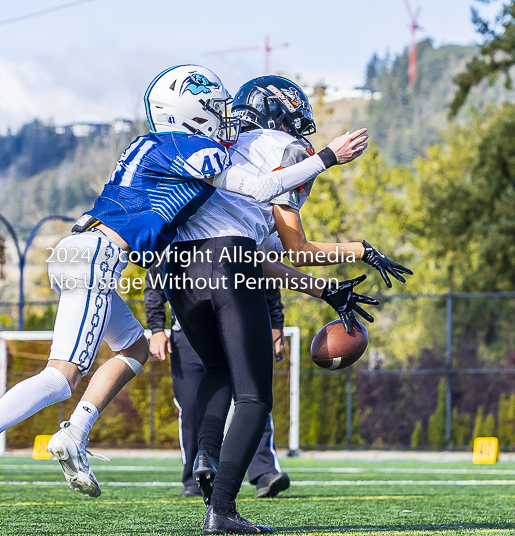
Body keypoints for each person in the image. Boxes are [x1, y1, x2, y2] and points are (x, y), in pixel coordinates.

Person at [0, 65, 361, 507]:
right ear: (192, 114)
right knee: (60, 378)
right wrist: (326, 156)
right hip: (97, 258)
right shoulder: (191, 148)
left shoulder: (151, 144)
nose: (225, 115)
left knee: (132, 349)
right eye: (215, 108)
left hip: (80, 250)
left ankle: (74, 434)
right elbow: (265, 185)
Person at [164, 75, 411, 533]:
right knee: (256, 397)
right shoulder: (285, 148)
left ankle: (206, 454)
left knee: (216, 369)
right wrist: (360, 249)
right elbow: (292, 249)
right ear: (280, 112)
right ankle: (222, 511)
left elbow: (255, 256)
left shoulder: (218, 145)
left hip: (175, 269)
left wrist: (324, 290)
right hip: (226, 264)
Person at [144, 261, 290, 499]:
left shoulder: (237, 227)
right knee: (191, 405)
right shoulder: (175, 228)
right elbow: (155, 278)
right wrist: (156, 328)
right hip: (188, 332)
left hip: (238, 326)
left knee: (252, 396)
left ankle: (264, 471)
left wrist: (275, 322)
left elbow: (264, 270)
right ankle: (195, 477)